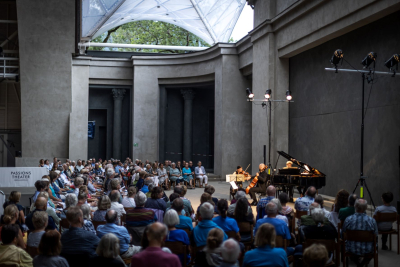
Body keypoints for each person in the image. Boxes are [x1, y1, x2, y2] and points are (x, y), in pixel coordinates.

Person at [342, 199, 378, 266]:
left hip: (351, 248)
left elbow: (343, 233)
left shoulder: (348, 219)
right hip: (368, 249)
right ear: (366, 207)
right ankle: (362, 263)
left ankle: (358, 264)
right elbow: (376, 235)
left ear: (355, 206)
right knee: (375, 246)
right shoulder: (372, 221)